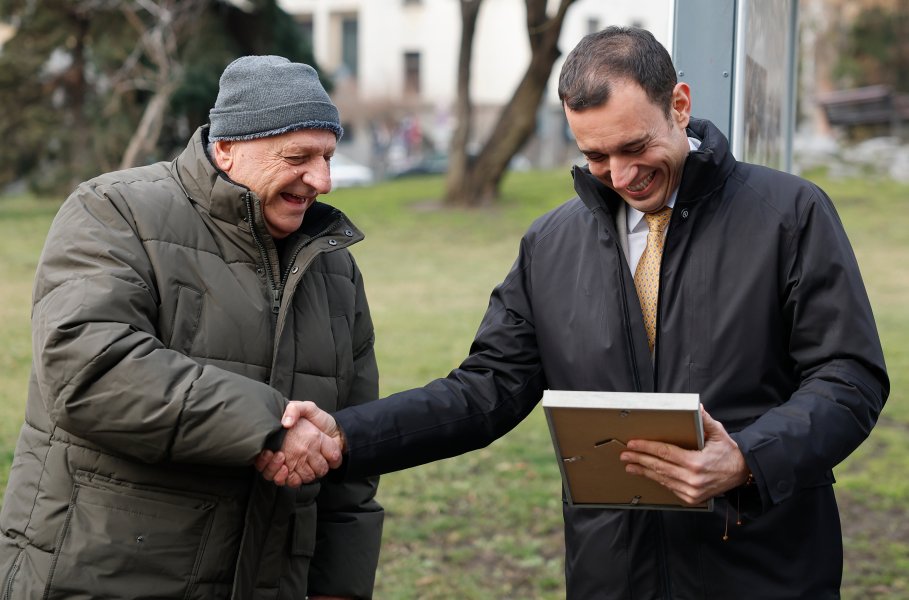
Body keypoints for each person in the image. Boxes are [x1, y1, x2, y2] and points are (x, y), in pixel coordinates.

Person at [266, 26, 888, 599]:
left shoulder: (790, 214)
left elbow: (850, 378)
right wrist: (348, 435)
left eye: (635, 145)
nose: (621, 175)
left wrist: (748, 458)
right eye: (595, 156)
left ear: (680, 104)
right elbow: (485, 390)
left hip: (766, 569)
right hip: (611, 575)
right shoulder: (549, 244)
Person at [0, 56, 382, 599]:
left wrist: (337, 587)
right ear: (226, 148)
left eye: (327, 157)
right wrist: (267, 426)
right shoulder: (114, 211)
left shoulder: (335, 267)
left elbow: (348, 447)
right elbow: (89, 368)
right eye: (298, 157)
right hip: (104, 572)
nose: (321, 179)